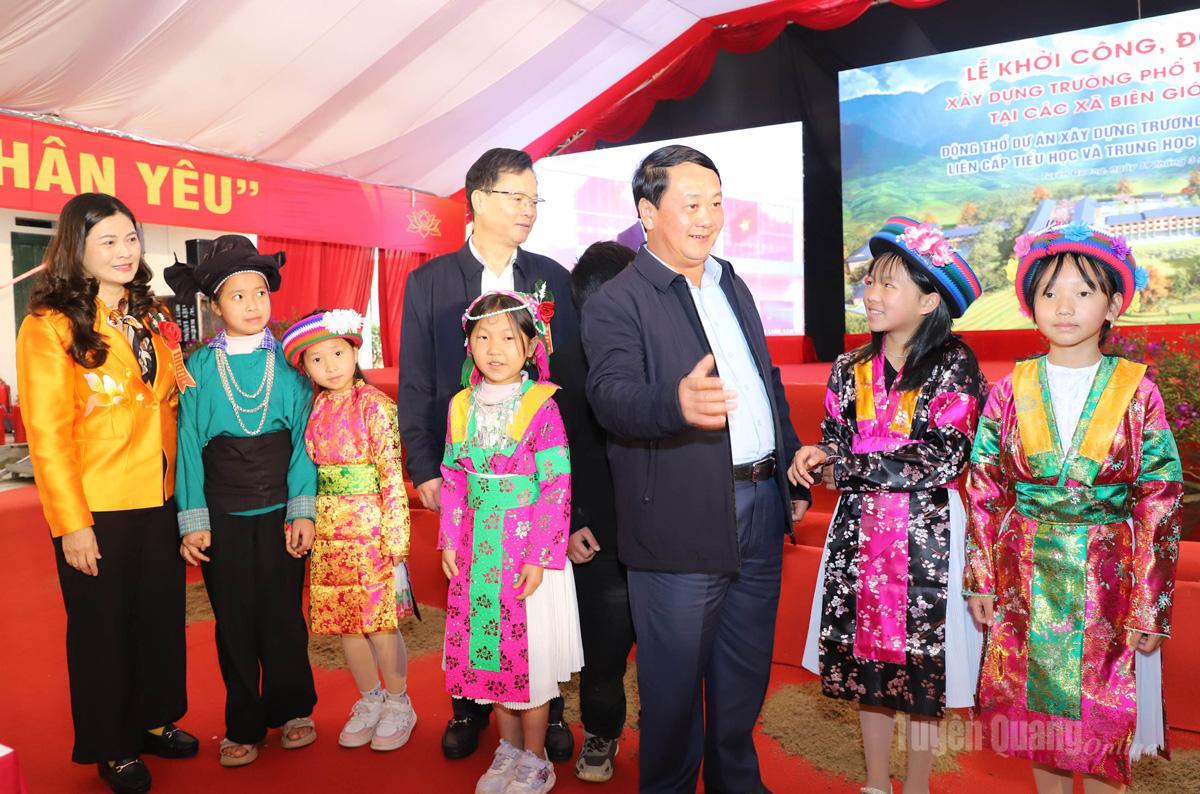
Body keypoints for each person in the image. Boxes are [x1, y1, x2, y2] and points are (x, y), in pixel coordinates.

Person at [581, 145, 811, 793]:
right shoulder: (619, 300)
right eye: (690, 205)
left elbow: (763, 379)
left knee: (742, 676)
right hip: (679, 520)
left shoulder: (731, 280)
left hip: (759, 505)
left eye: (715, 203)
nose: (707, 218)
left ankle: (737, 783)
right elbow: (610, 395)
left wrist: (788, 462)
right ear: (647, 212)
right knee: (674, 691)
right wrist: (673, 403)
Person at [964, 224, 1182, 792]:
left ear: (1113, 305)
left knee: (1103, 716)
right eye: (1050, 292)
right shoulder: (1010, 389)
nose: (1064, 306)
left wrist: (1150, 605)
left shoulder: (1136, 390)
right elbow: (985, 487)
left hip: (1108, 579)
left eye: (1083, 292)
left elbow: (1160, 498)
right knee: (1039, 718)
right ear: (1030, 305)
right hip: (1024, 575)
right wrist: (981, 578)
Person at [397, 147, 584, 761]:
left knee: (530, 603)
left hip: (531, 484)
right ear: (478, 200)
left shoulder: (551, 276)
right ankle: (468, 709)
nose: (529, 209)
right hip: (463, 472)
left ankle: (547, 713)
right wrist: (424, 467)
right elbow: (417, 380)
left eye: (535, 199)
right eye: (516, 197)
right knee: (471, 595)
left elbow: (570, 380)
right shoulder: (429, 281)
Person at [791, 217, 987, 794]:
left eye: (887, 284)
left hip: (928, 535)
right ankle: (877, 783)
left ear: (929, 300)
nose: (871, 294)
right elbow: (835, 439)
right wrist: (819, 454)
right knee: (868, 666)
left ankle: (918, 785)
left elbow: (944, 457)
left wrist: (846, 466)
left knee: (923, 666)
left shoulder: (954, 363)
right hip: (856, 531)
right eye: (869, 281)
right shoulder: (848, 368)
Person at [16, 192, 199, 794]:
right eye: (109, 241)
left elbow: (167, 406)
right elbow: (46, 434)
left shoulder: (148, 316)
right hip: (96, 503)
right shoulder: (49, 325)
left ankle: (152, 720)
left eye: (131, 238)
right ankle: (112, 743)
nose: (125, 251)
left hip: (159, 493)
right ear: (78, 248)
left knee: (158, 618)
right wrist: (72, 523)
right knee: (102, 628)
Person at [165, 236, 319, 767]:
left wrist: (302, 509)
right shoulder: (198, 369)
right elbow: (188, 445)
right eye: (237, 296)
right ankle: (244, 723)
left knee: (283, 616)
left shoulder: (293, 367)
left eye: (260, 293)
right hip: (222, 513)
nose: (253, 305)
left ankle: (293, 708)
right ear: (214, 305)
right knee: (233, 622)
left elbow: (303, 443)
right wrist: (193, 520)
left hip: (279, 512)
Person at [439, 290, 584, 794]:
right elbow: (453, 477)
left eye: (507, 337)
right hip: (476, 548)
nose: (495, 349)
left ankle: (535, 758)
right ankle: (506, 749)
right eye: (483, 337)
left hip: (525, 554)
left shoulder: (542, 406)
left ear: (530, 346)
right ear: (469, 345)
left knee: (531, 660)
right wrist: (448, 539)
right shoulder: (460, 405)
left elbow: (556, 484)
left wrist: (542, 555)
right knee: (490, 656)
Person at [281, 308, 418, 752]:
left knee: (379, 621)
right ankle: (370, 699)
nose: (330, 366)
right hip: (329, 530)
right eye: (317, 359)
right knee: (346, 622)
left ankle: (398, 702)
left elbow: (391, 474)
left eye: (338, 353)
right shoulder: (315, 408)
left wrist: (396, 535)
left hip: (371, 529)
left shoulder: (376, 405)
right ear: (305, 368)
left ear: (355, 351)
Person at [566, 241, 636, 783]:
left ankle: (672, 735)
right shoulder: (563, 366)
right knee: (603, 651)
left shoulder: (665, 352)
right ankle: (600, 731)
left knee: (672, 653)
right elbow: (552, 460)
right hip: (598, 537)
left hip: (666, 534)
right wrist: (570, 523)